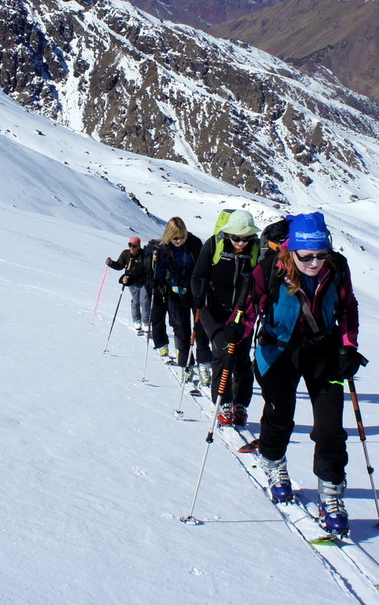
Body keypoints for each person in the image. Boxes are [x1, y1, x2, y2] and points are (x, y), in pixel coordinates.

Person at [235, 211, 365, 536]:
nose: (315, 262)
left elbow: (348, 306)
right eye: (306, 256)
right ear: (291, 249)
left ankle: (331, 493)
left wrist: (348, 347)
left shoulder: (337, 268)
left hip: (323, 349)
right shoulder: (270, 268)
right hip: (279, 349)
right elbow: (250, 305)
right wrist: (234, 337)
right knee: (280, 416)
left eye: (322, 254)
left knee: (330, 426)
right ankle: (274, 463)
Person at [191, 209, 260, 426]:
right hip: (214, 310)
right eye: (236, 238)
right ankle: (224, 402)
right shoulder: (214, 244)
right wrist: (199, 296)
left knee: (241, 357)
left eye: (246, 238)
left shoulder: (258, 249)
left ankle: (240, 404)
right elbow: (198, 275)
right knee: (222, 351)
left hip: (243, 312)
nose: (241, 243)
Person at [148, 217, 203, 375]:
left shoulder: (195, 244)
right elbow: (159, 270)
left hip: (195, 288)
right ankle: (186, 361)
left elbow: (202, 264)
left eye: (181, 237)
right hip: (175, 290)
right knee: (180, 326)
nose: (178, 241)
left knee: (199, 325)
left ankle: (203, 359)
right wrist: (156, 284)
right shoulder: (163, 249)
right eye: (175, 238)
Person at [106, 236, 151, 335]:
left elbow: (143, 269)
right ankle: (137, 321)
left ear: (139, 246)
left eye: (134, 246)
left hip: (143, 281)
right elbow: (120, 265)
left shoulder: (143, 255)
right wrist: (111, 263)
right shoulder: (125, 254)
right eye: (130, 245)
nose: (132, 248)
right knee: (135, 301)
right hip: (131, 282)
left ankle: (145, 322)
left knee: (145, 301)